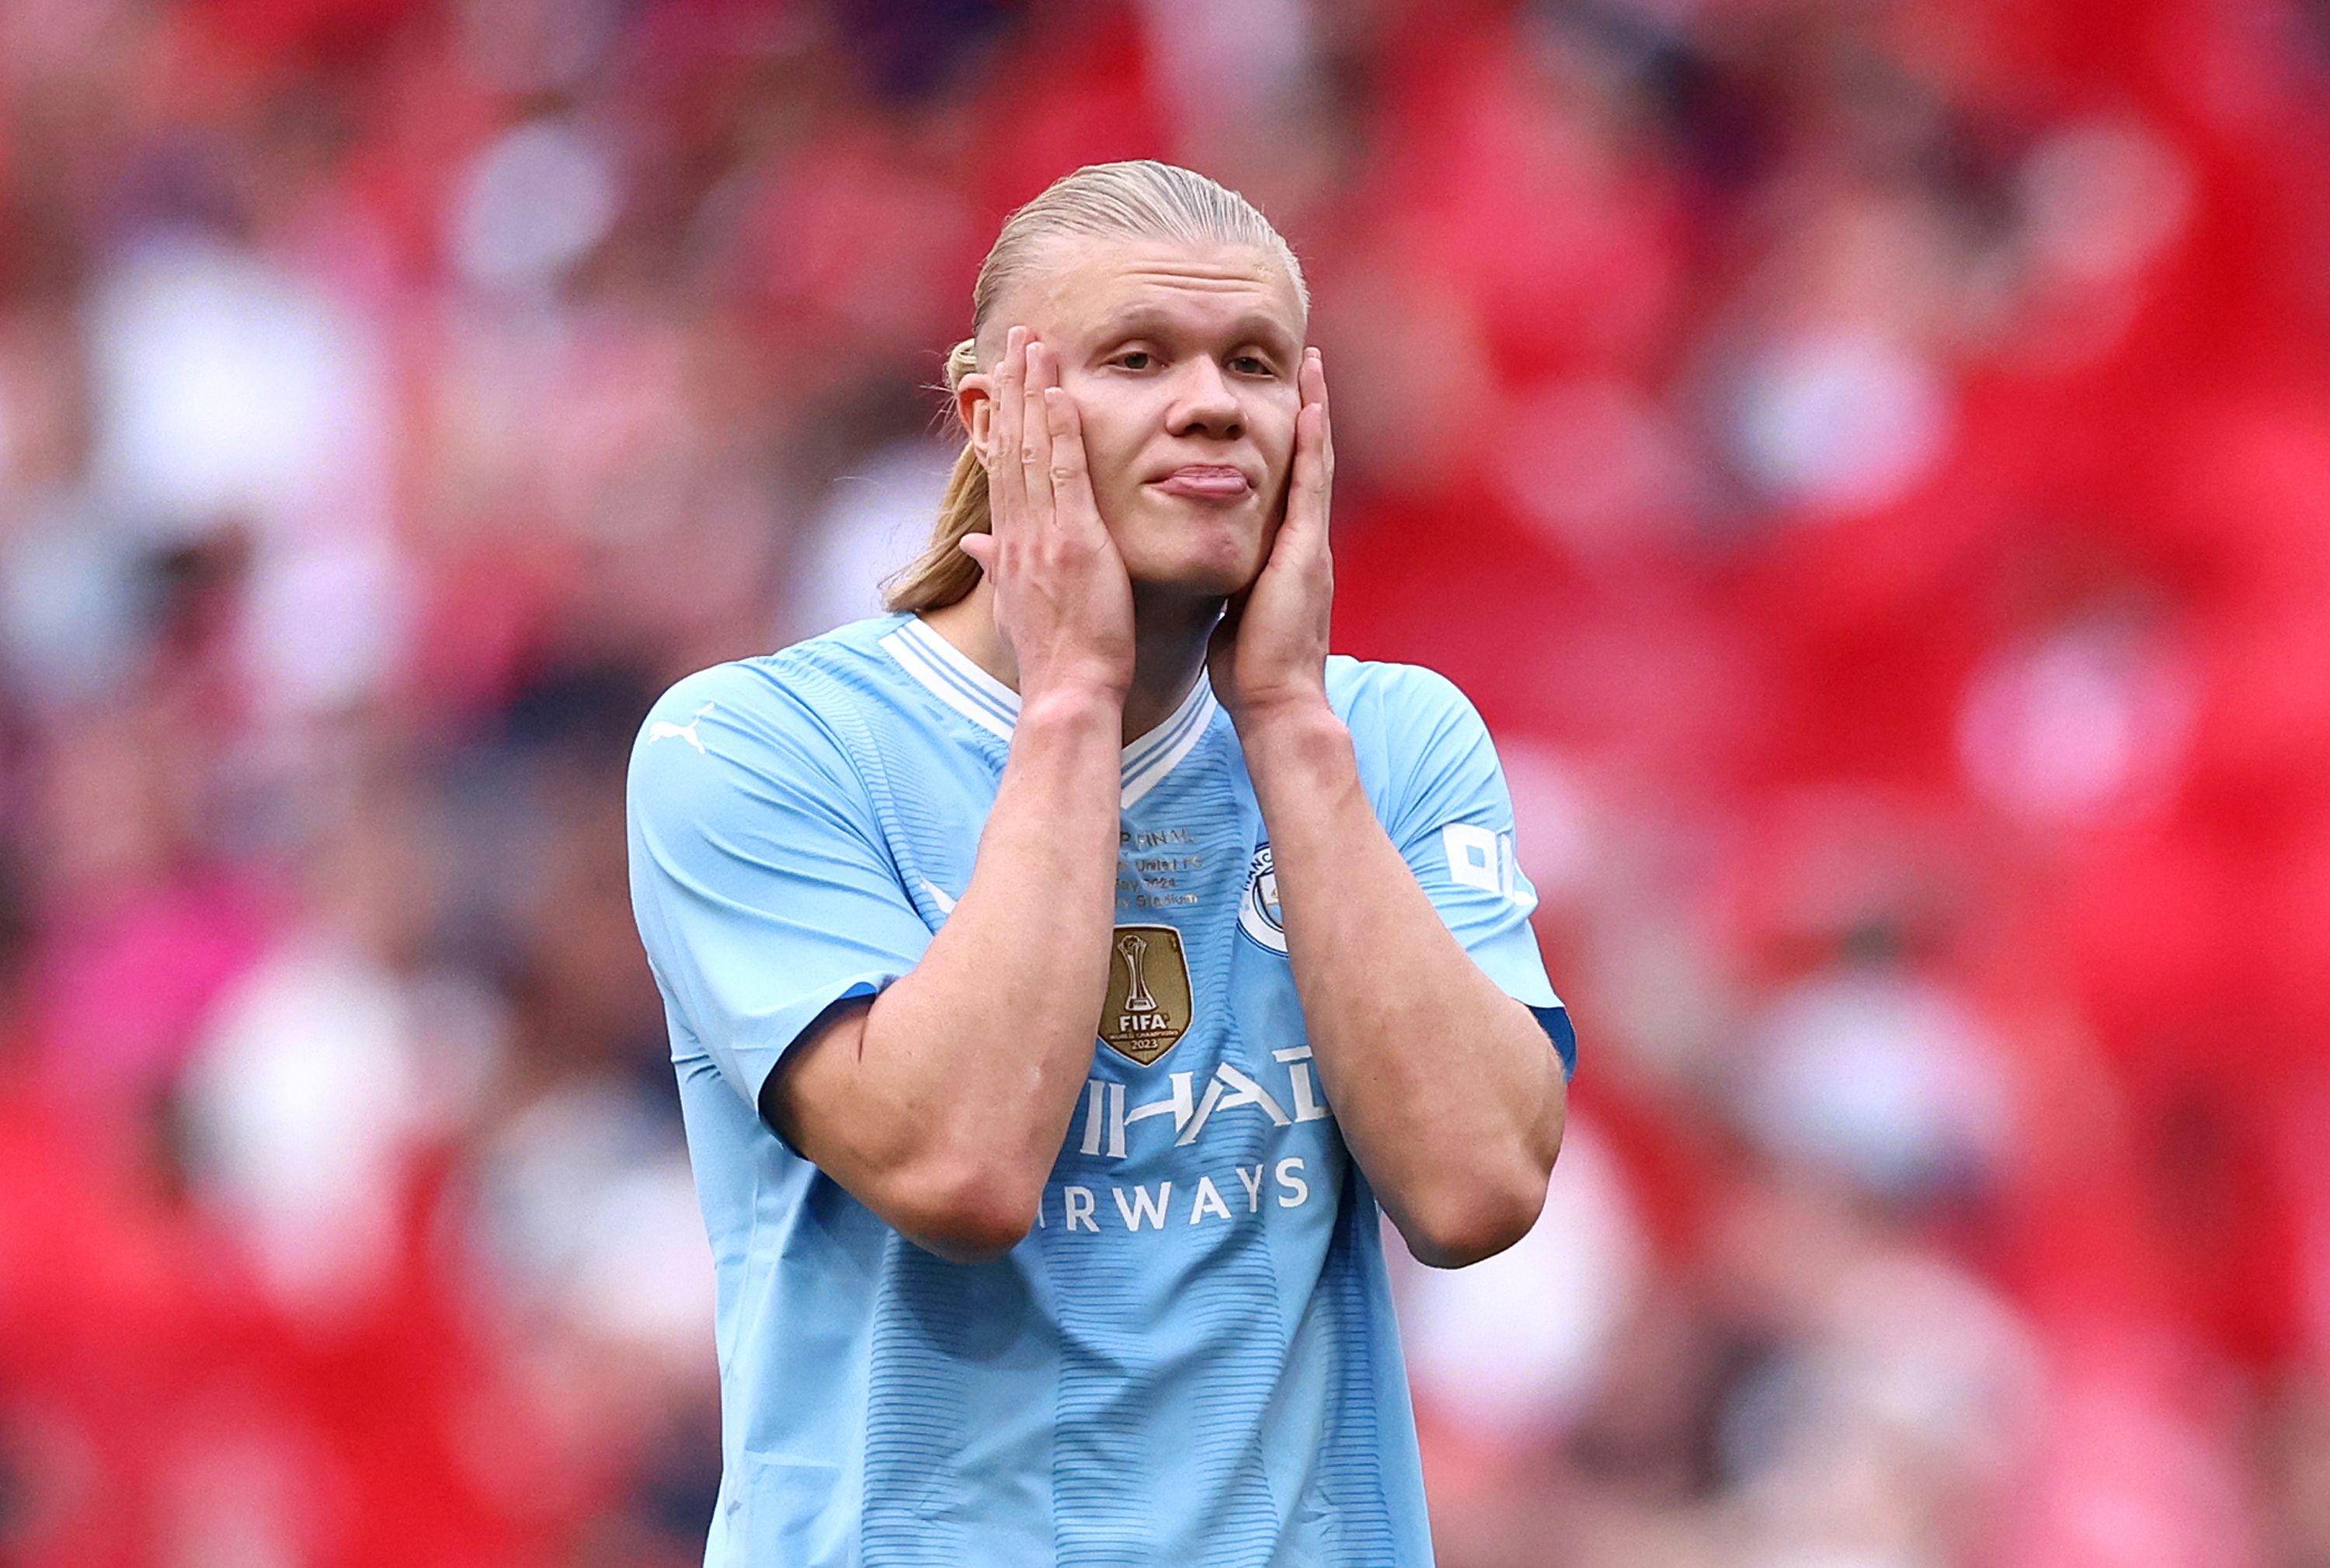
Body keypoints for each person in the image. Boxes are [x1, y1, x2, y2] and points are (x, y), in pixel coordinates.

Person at [627, 160, 1574, 1567]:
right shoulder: (758, 749)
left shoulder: (1391, 741)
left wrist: (1292, 728)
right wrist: (1071, 699)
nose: (1211, 402)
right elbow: (961, 1166)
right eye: (1138, 358)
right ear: (992, 417)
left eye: (1255, 363)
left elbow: (1477, 1190)